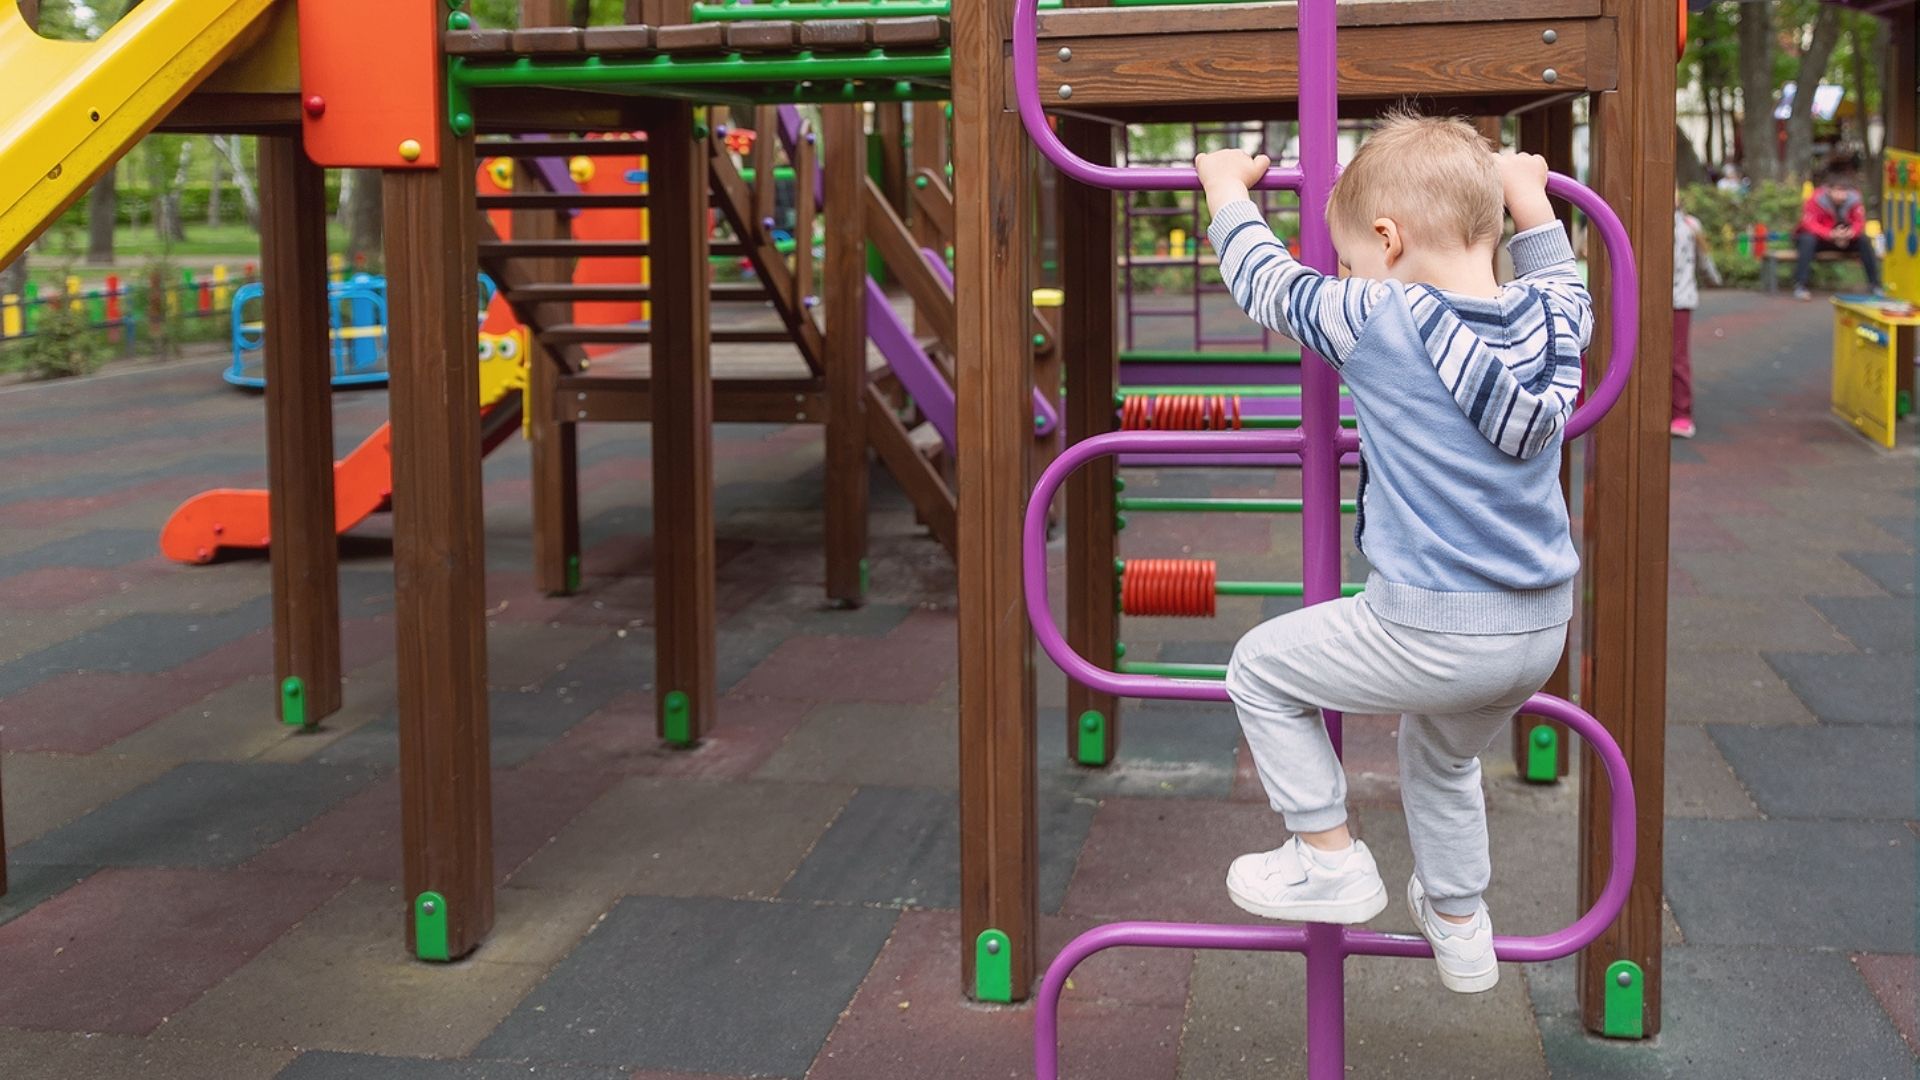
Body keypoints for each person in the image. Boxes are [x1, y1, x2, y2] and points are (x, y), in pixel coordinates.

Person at [1193, 112, 1589, 995]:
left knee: (1260, 669)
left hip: (1433, 627)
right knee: (1443, 755)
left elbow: (1271, 287)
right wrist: (1533, 210)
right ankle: (1459, 921)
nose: (1343, 276)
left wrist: (1224, 190)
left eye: (1349, 259)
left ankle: (1326, 856)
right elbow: (1565, 281)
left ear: (1389, 239)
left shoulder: (1382, 316)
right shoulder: (1547, 319)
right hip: (1540, 631)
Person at [1792, 160, 1881, 300]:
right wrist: (1830, 234)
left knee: (1864, 241)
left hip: (1845, 238)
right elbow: (1809, 223)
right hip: (1820, 239)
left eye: (1844, 191)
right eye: (1838, 190)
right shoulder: (1815, 200)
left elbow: (1859, 221)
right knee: (1807, 240)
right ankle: (1801, 285)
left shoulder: (1855, 201)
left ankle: (1875, 285)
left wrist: (1851, 233)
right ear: (1829, 190)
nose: (1842, 195)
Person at [1672, 194, 1721, 439]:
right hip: (1650, 298)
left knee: (1677, 358)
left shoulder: (1689, 226)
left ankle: (1681, 412)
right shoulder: (1644, 223)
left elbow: (1703, 256)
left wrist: (1713, 278)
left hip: (1679, 298)